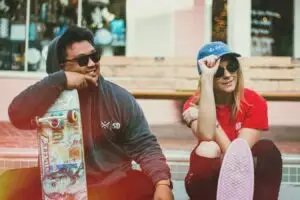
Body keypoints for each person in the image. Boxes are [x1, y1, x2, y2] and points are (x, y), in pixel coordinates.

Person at [0, 26, 174, 200]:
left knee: (145, 186)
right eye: (82, 60)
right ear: (61, 67)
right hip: (58, 184)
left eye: (94, 56)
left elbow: (145, 145)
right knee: (8, 183)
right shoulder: (47, 96)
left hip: (110, 184)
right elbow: (17, 115)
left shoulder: (118, 98)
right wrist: (61, 80)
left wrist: (162, 183)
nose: (92, 64)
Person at [182, 41, 282, 200]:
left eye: (232, 66)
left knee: (267, 149)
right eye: (218, 71)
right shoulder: (194, 104)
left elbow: (238, 157)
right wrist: (207, 78)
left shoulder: (254, 101)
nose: (227, 75)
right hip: (210, 182)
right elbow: (207, 135)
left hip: (243, 176)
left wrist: (212, 122)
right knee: (208, 147)